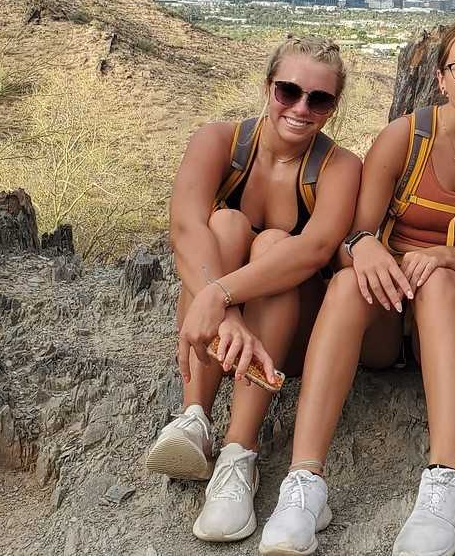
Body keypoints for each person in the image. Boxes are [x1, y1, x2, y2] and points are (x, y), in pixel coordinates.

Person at [257, 19, 455, 556]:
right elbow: (351, 233)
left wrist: (442, 256)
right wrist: (368, 246)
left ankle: (446, 477)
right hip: (387, 309)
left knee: (440, 282)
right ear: (442, 78)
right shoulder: (406, 136)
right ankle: (304, 483)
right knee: (344, 287)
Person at [144, 35, 361, 543]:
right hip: (228, 321)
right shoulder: (219, 141)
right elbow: (184, 229)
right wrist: (229, 311)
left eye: (320, 99)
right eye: (289, 91)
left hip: (295, 326)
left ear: (332, 108)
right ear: (268, 87)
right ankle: (195, 416)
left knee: (277, 246)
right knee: (223, 226)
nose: (301, 108)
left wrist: (220, 299)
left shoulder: (339, 167)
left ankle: (239, 455)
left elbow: (314, 250)